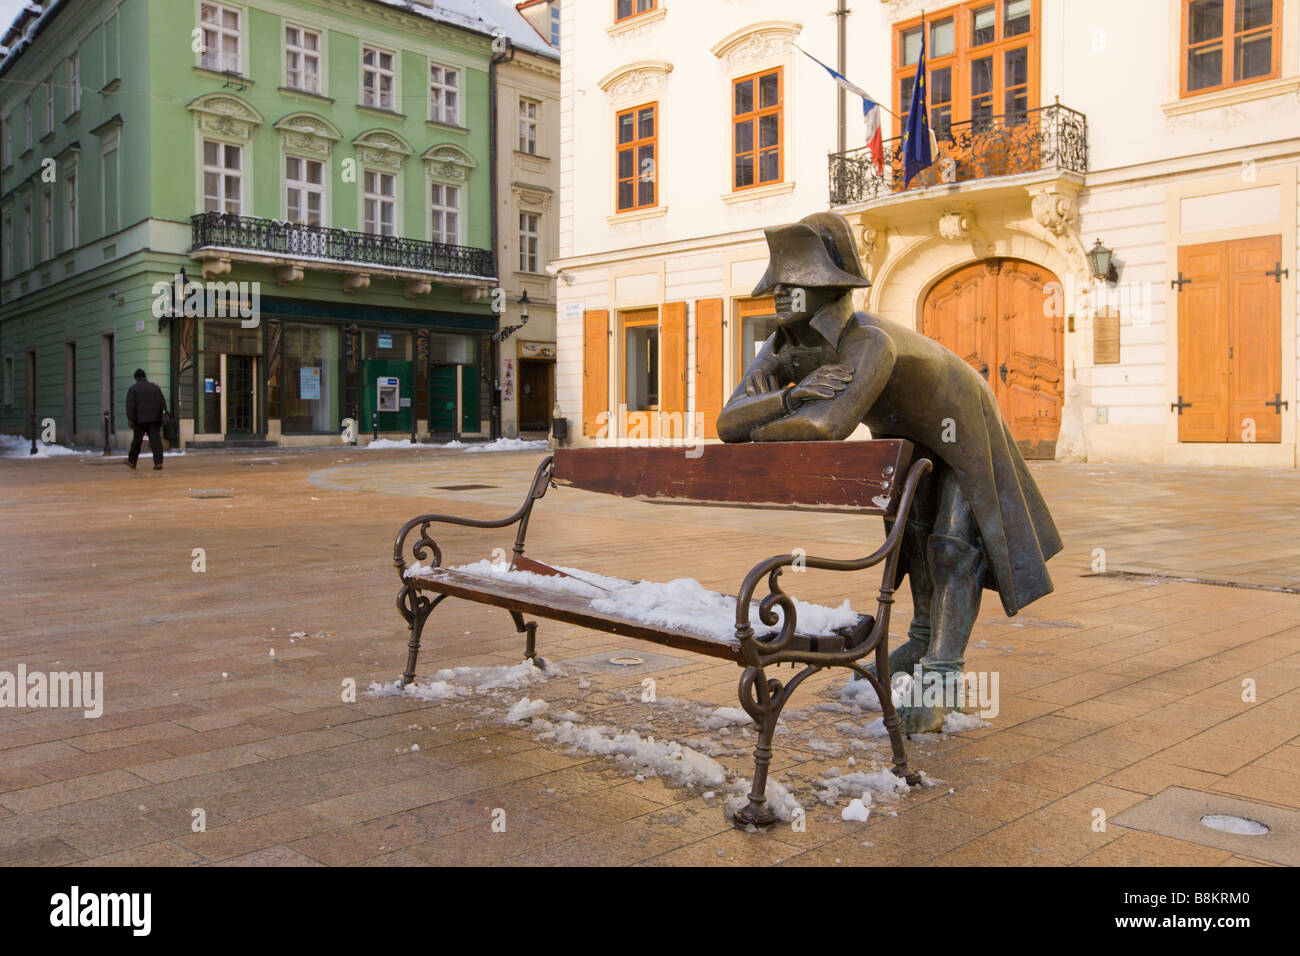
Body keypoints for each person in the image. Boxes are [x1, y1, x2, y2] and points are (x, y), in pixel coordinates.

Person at [717, 212, 1062, 733]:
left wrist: (764, 409)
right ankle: (922, 639)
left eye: (795, 282)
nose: (779, 291)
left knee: (951, 545)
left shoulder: (868, 341)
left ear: (829, 286)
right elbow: (727, 424)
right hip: (904, 436)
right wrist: (786, 397)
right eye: (777, 282)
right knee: (913, 537)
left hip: (960, 420)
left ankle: (942, 674)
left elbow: (827, 425)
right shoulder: (781, 349)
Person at [125, 368, 167, 470]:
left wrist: (131, 419)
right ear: (145, 377)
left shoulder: (133, 389)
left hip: (140, 420)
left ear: (136, 378)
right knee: (156, 442)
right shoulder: (155, 388)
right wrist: (162, 416)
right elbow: (162, 403)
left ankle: (132, 461)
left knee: (137, 441)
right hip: (154, 419)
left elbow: (130, 406)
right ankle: (158, 463)